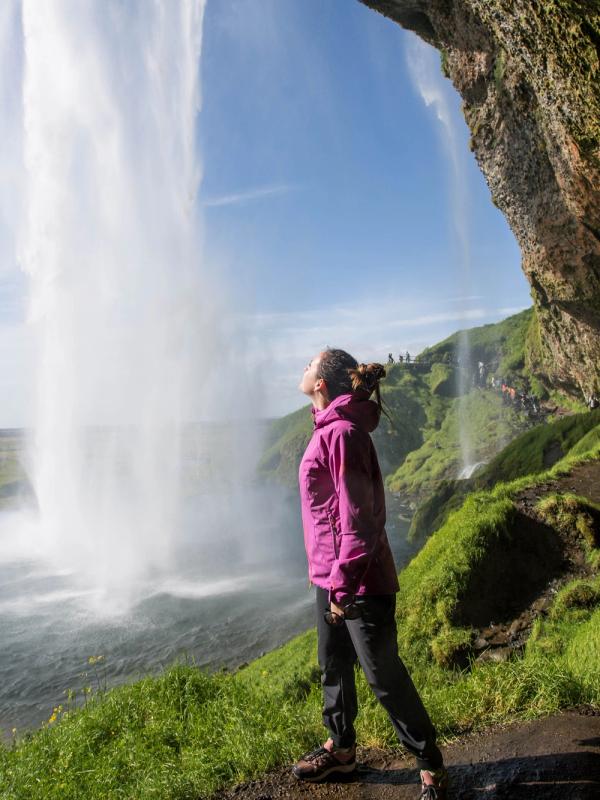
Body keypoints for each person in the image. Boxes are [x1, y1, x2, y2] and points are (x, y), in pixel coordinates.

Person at [292, 349, 448, 799]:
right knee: (334, 666)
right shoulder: (328, 428)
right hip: (331, 577)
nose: (303, 367)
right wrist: (323, 574)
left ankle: (430, 764)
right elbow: (327, 513)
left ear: (322, 382)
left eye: (309, 363)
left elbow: (362, 520)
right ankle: (341, 751)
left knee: (382, 675)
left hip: (359, 582)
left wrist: (341, 582)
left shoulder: (342, 434)